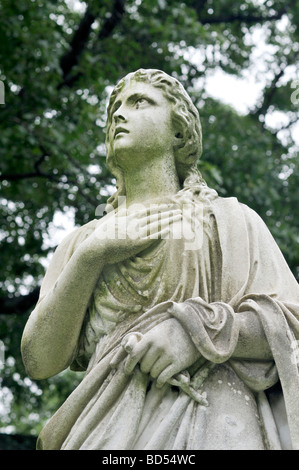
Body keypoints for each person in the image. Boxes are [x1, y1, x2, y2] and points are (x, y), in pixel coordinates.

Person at [21, 69, 299, 450]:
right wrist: (91, 257)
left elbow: (292, 325)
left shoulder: (229, 221)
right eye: (115, 108)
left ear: (179, 131)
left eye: (140, 103)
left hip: (213, 422)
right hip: (103, 432)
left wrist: (196, 333)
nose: (120, 114)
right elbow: (39, 360)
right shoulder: (82, 243)